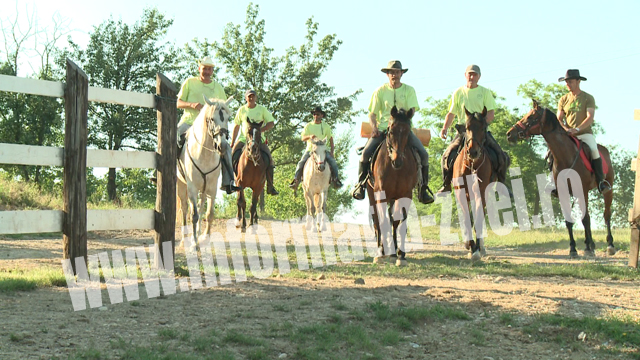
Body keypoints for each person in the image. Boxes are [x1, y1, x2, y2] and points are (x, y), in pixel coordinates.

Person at [351, 60, 434, 204]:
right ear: (387, 74)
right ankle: (361, 185)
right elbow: (372, 113)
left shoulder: (409, 90)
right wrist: (374, 127)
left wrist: (405, 117)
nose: (394, 75)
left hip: (404, 130)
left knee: (424, 154)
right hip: (384, 130)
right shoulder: (380, 91)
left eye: (397, 72)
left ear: (401, 73)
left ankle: (423, 188)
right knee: (365, 154)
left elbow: (413, 109)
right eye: (391, 72)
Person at [437, 64, 507, 195]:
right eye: (469, 74)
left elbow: (491, 113)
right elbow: (451, 113)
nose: (472, 77)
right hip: (463, 131)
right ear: (465, 75)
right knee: (447, 155)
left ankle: (502, 184)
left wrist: (481, 124)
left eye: (474, 74)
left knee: (500, 155)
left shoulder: (485, 92)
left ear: (479, 77)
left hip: (480, 131)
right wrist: (444, 128)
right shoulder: (458, 92)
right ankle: (446, 184)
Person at [176, 56, 239, 194]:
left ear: (213, 71)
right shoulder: (189, 82)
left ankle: (228, 181)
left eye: (210, 69)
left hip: (211, 127)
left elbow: (222, 109)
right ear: (199, 68)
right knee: (173, 140)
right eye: (205, 68)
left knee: (226, 148)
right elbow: (178, 102)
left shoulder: (218, 87)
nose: (207, 71)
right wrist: (192, 104)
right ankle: (164, 172)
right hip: (189, 122)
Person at [555, 69, 611, 194]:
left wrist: (577, 129)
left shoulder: (588, 98)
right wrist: (566, 129)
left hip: (584, 134)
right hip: (567, 135)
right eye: (566, 82)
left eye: (570, 82)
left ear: (578, 81)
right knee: (551, 152)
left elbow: (589, 117)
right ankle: (554, 183)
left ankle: (601, 181)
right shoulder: (563, 99)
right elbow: (559, 119)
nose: (567, 84)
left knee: (594, 150)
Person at [231, 89, 279, 196]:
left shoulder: (262, 109)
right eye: (249, 96)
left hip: (259, 140)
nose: (251, 98)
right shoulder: (242, 110)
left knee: (270, 159)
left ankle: (270, 186)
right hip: (244, 139)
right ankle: (230, 182)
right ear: (246, 98)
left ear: (256, 97)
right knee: (232, 155)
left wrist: (260, 130)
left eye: (253, 96)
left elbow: (271, 123)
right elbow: (236, 125)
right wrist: (233, 141)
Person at [289, 106, 343, 191]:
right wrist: (310, 136)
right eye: (314, 114)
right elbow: (303, 138)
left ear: (322, 115)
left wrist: (332, 152)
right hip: (311, 150)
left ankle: (336, 180)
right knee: (301, 163)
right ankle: (296, 181)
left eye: (317, 114)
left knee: (333, 162)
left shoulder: (326, 126)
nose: (315, 116)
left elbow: (331, 139)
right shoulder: (308, 126)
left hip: (323, 150)